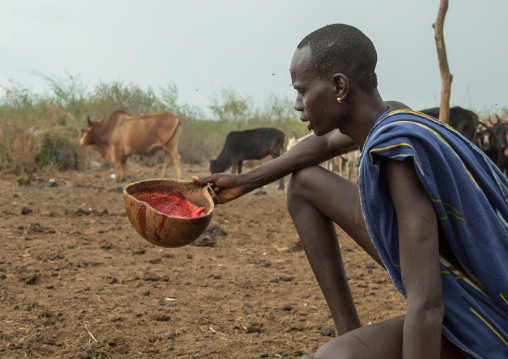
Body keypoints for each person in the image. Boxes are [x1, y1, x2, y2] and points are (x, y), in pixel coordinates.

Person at [193, 24, 508, 359]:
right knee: (303, 184)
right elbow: (323, 145)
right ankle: (350, 332)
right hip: (450, 280)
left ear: (338, 86)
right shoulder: (393, 115)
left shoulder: (399, 155)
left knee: (335, 357)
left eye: (302, 91)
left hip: (487, 315)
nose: (298, 105)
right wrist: (245, 181)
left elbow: (427, 305)